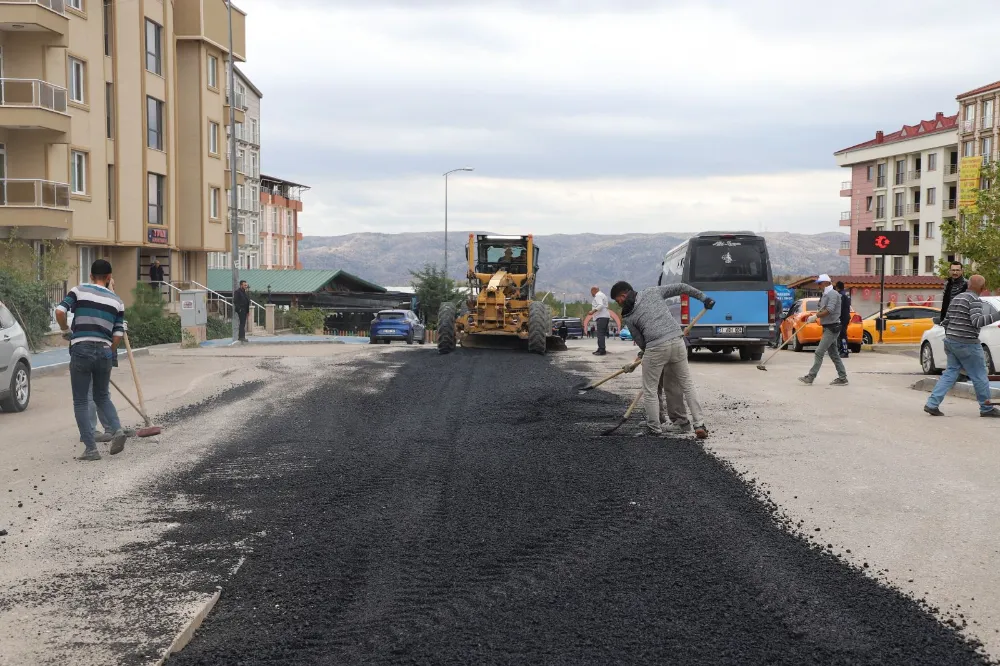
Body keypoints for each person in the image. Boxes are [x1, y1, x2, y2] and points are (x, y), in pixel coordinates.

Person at [611, 280, 715, 439]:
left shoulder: (628, 315)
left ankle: (653, 427)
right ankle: (699, 424)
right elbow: (681, 287)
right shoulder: (652, 291)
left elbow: (641, 342)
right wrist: (704, 298)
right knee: (687, 384)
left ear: (623, 295)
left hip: (656, 347)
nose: (619, 305)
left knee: (650, 389)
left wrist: (643, 355)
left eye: (618, 301)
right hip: (677, 342)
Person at [56, 259, 129, 461]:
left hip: (81, 348)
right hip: (105, 350)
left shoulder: (78, 290)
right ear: (109, 278)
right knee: (102, 396)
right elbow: (118, 334)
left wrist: (65, 330)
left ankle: (91, 450)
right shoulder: (117, 301)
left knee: (81, 400)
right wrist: (108, 350)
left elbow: (60, 311)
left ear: (90, 276)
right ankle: (117, 430)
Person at [924, 274, 1000, 418]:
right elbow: (977, 322)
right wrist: (997, 315)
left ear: (968, 284)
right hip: (968, 343)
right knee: (980, 374)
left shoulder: (956, 298)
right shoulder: (975, 301)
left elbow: (946, 320)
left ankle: (932, 404)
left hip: (951, 341)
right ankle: (986, 408)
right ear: (983, 288)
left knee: (950, 372)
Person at [798, 274, 848, 386]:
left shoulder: (834, 294)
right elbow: (822, 309)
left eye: (820, 283)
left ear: (826, 282)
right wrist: (815, 316)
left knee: (819, 352)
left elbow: (829, 310)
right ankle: (843, 377)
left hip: (832, 327)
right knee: (834, 354)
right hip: (827, 327)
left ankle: (810, 377)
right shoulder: (825, 295)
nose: (818, 286)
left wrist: (816, 317)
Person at [588, 286, 611, 356]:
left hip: (602, 317)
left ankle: (602, 350)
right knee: (601, 334)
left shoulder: (598, 295)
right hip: (604, 316)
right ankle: (600, 348)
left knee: (600, 334)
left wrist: (593, 311)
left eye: (591, 292)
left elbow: (600, 305)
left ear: (594, 290)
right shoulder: (602, 295)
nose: (591, 294)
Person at [837, 281, 852, 358]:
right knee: (841, 334)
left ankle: (844, 351)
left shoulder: (840, 295)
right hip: (846, 316)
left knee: (842, 334)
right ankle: (841, 350)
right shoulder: (846, 294)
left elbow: (840, 307)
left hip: (842, 317)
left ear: (837, 287)